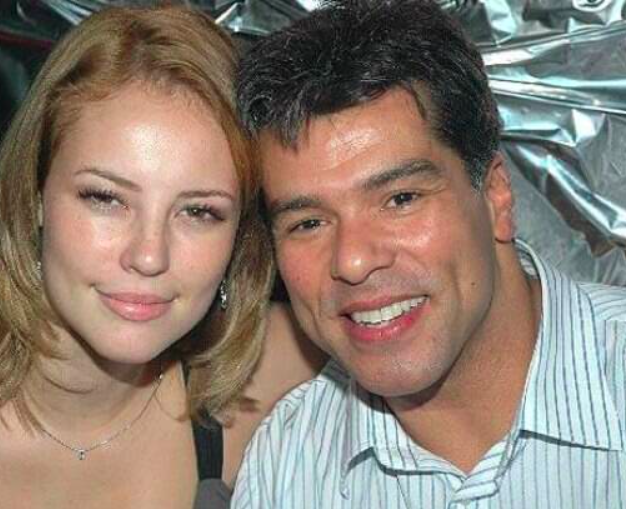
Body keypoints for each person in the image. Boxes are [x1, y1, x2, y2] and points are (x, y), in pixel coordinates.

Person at [231, 0, 626, 507]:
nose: (353, 260)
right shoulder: (287, 468)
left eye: (400, 199)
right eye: (308, 223)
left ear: (496, 195)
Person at [0, 5, 323, 508]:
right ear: (34, 195)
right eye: (106, 198)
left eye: (199, 211)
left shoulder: (285, 372)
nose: (149, 256)